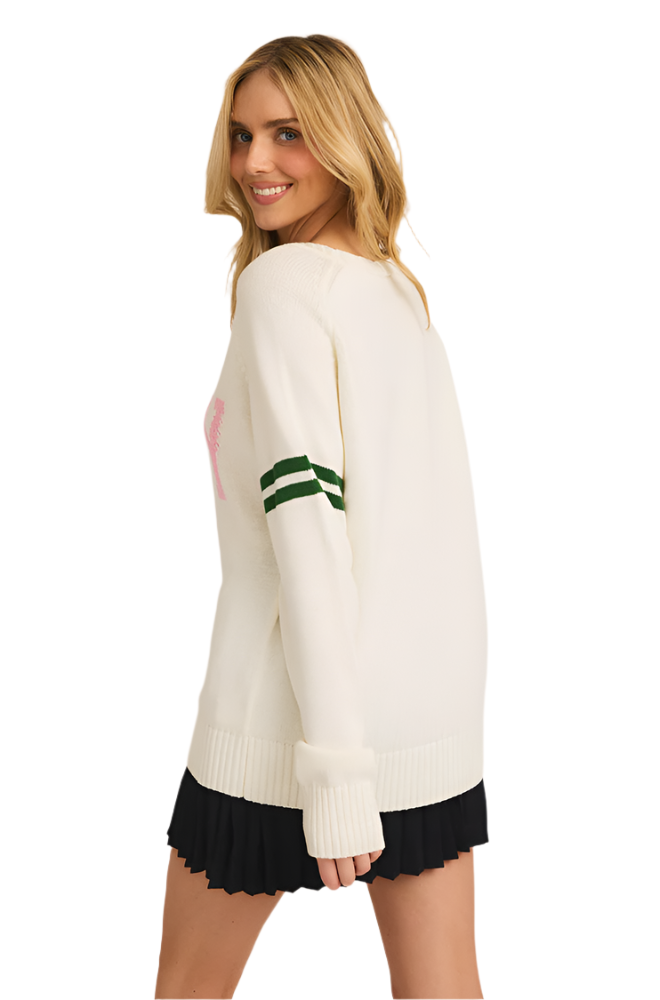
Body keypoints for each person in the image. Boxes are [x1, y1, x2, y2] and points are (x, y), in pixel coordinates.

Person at [155, 34, 488, 1000]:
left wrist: (336, 771)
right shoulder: (393, 291)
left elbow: (309, 530)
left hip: (286, 726)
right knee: (444, 985)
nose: (254, 161)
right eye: (242, 134)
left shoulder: (283, 288)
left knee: (186, 989)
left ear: (345, 137)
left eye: (288, 133)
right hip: (423, 724)